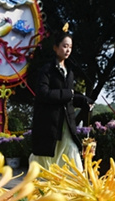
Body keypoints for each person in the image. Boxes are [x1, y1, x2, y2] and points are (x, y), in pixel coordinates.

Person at [30, 30, 94, 169]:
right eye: (65, 46)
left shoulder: (69, 72)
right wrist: (69, 94)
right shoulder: (47, 70)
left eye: (70, 47)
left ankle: (76, 181)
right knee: (45, 157)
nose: (68, 50)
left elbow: (69, 97)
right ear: (55, 47)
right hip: (50, 123)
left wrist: (84, 101)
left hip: (67, 123)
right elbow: (43, 93)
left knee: (72, 150)